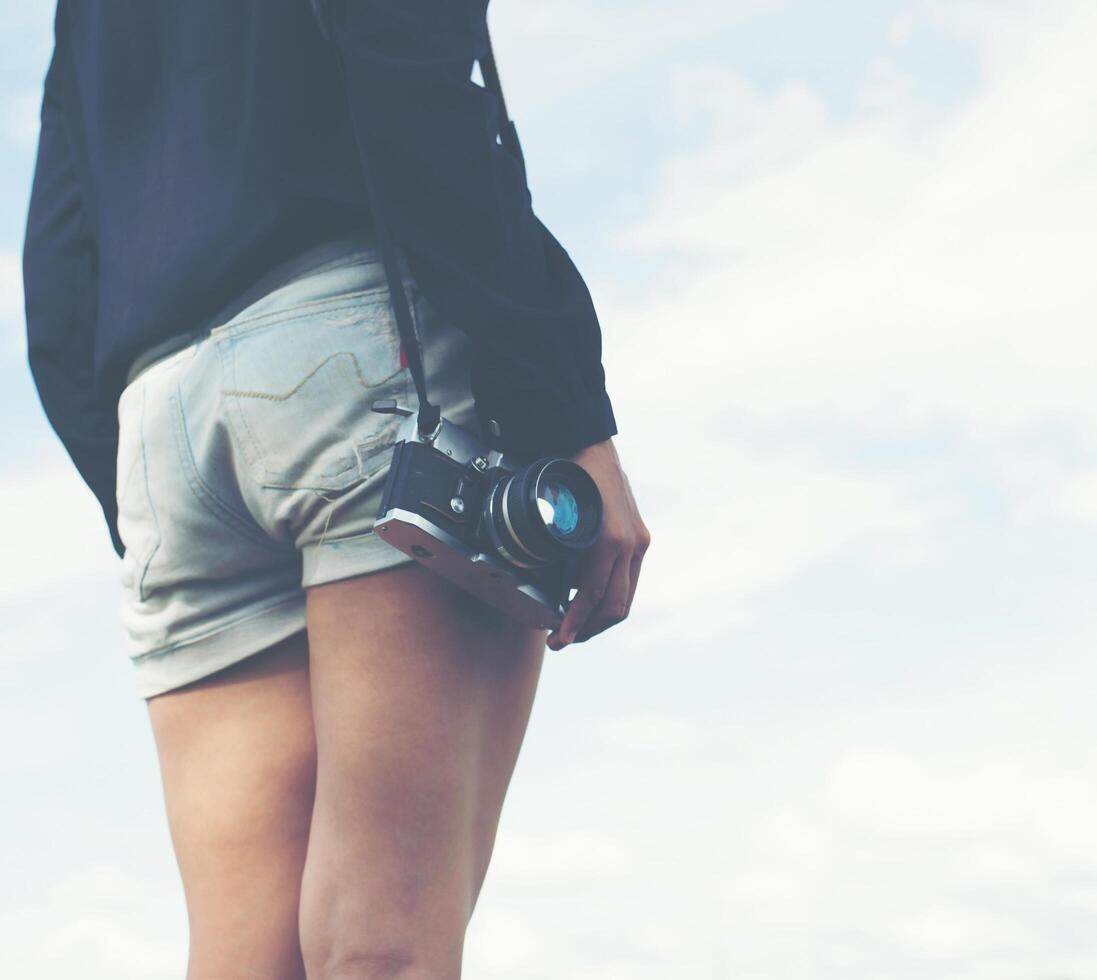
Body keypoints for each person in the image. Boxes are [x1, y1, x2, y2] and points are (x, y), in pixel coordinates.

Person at [21, 1, 651, 976]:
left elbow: (58, 250)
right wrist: (561, 404)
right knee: (382, 946)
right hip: (352, 348)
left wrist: (139, 481)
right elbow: (409, 71)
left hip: (161, 417)